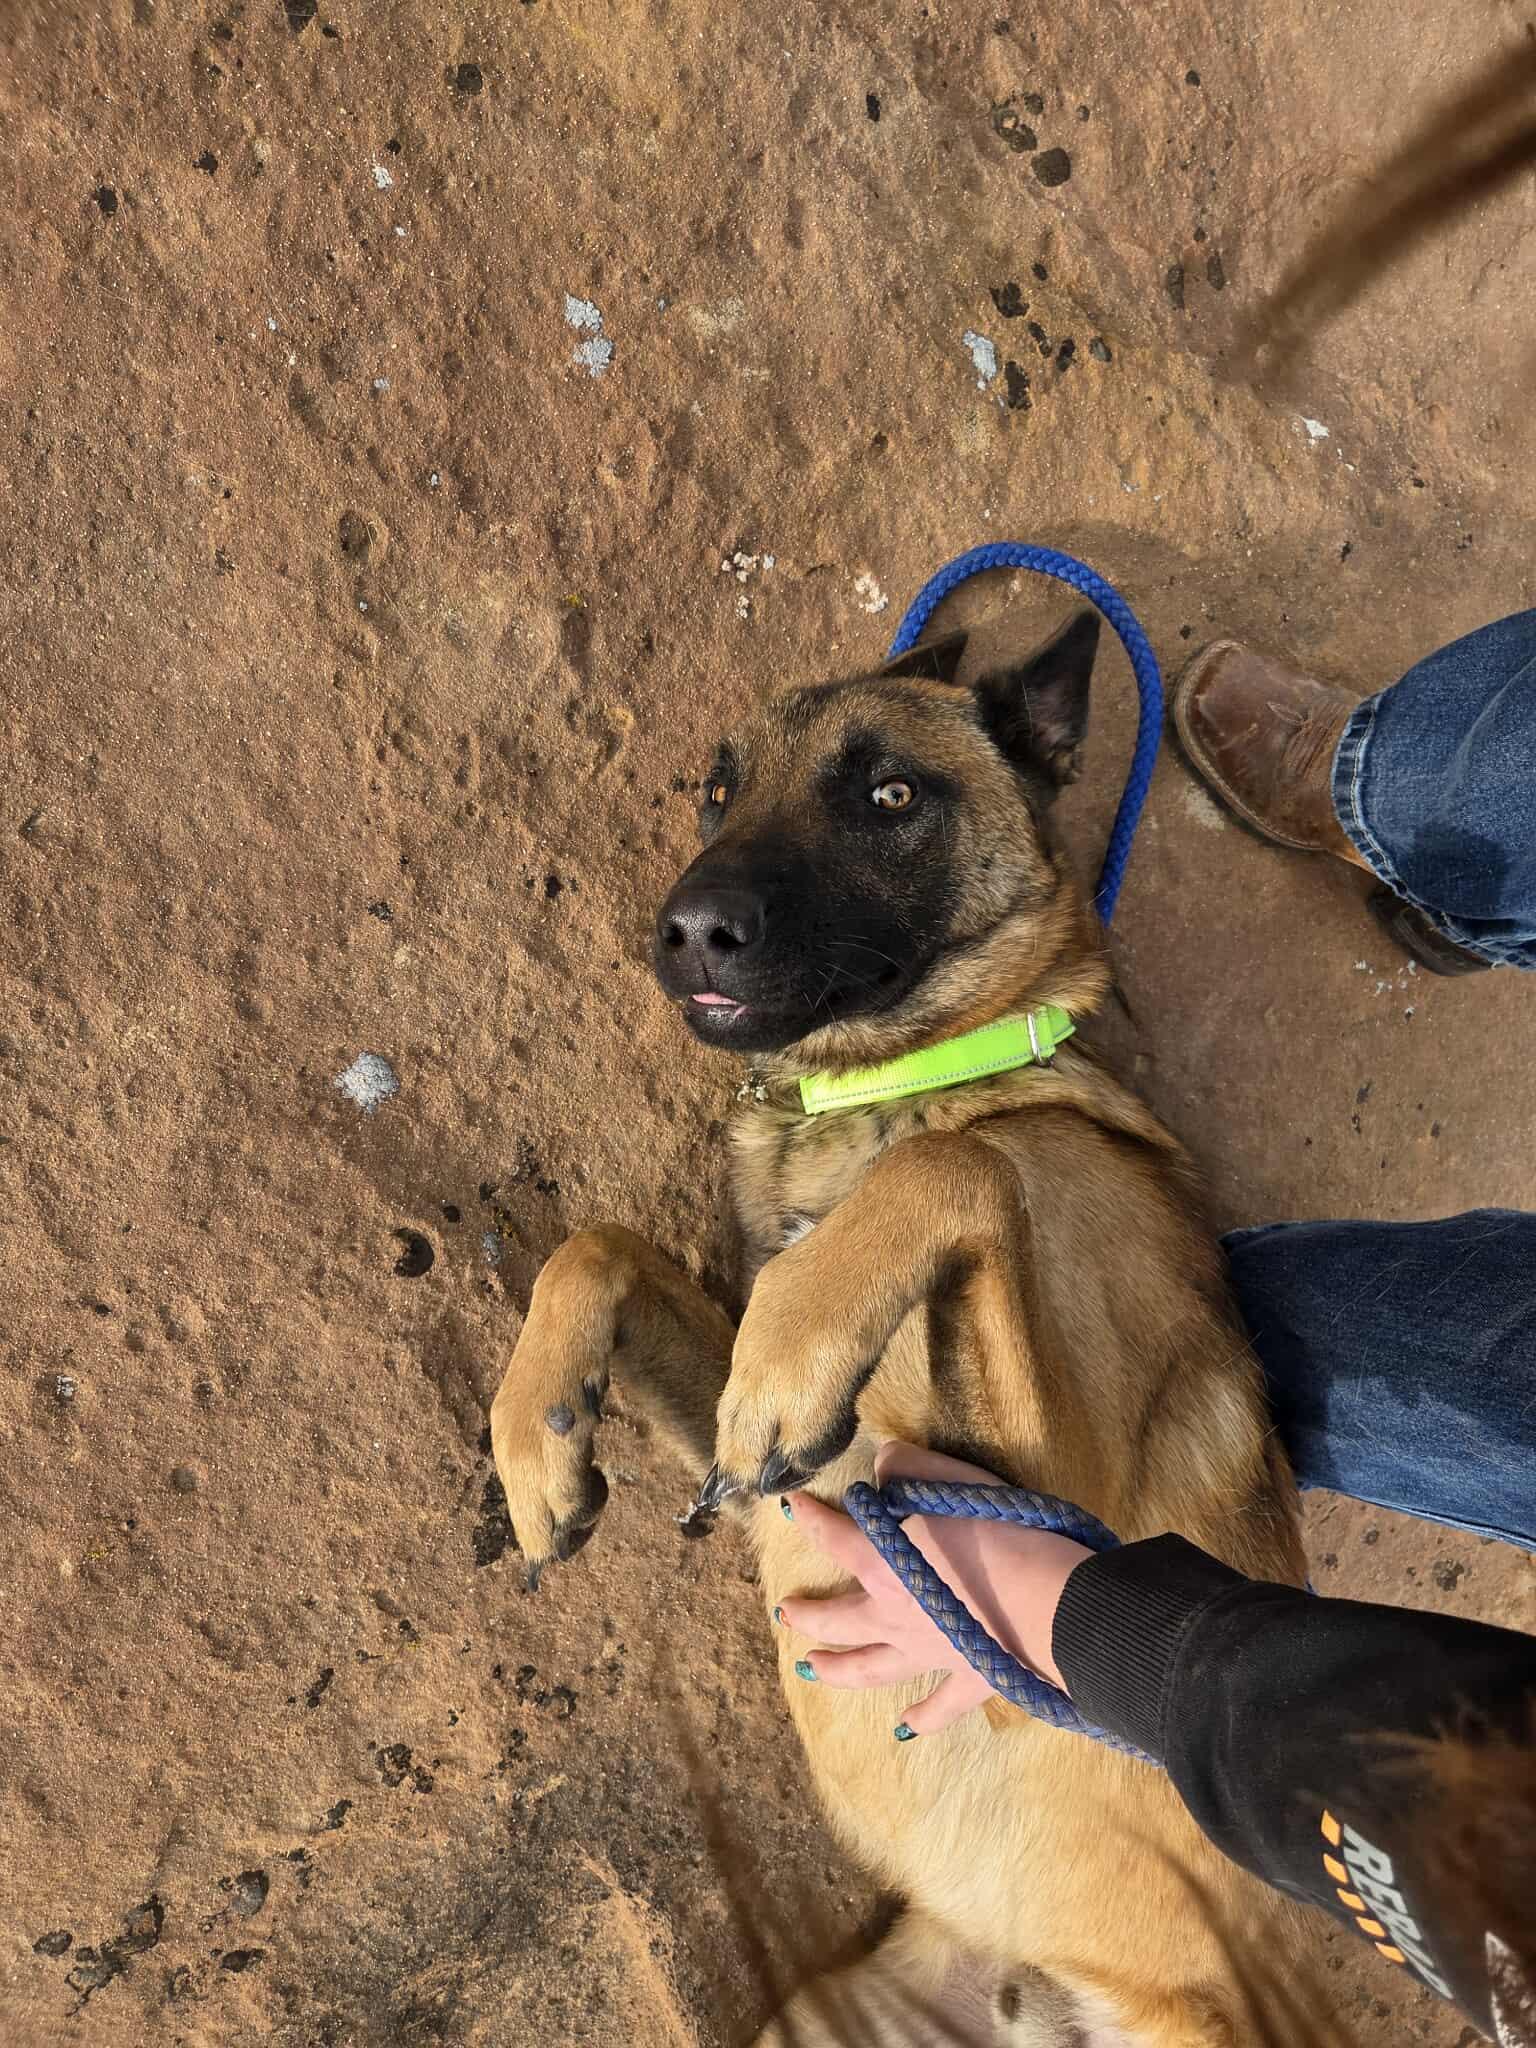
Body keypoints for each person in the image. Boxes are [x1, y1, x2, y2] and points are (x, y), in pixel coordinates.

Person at [776, 617, 1536, 2043]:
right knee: (1297, 1334)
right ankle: (1402, 798)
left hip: (1068, 1851)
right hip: (1151, 1795)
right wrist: (1083, 1616)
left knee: (1261, 1334)